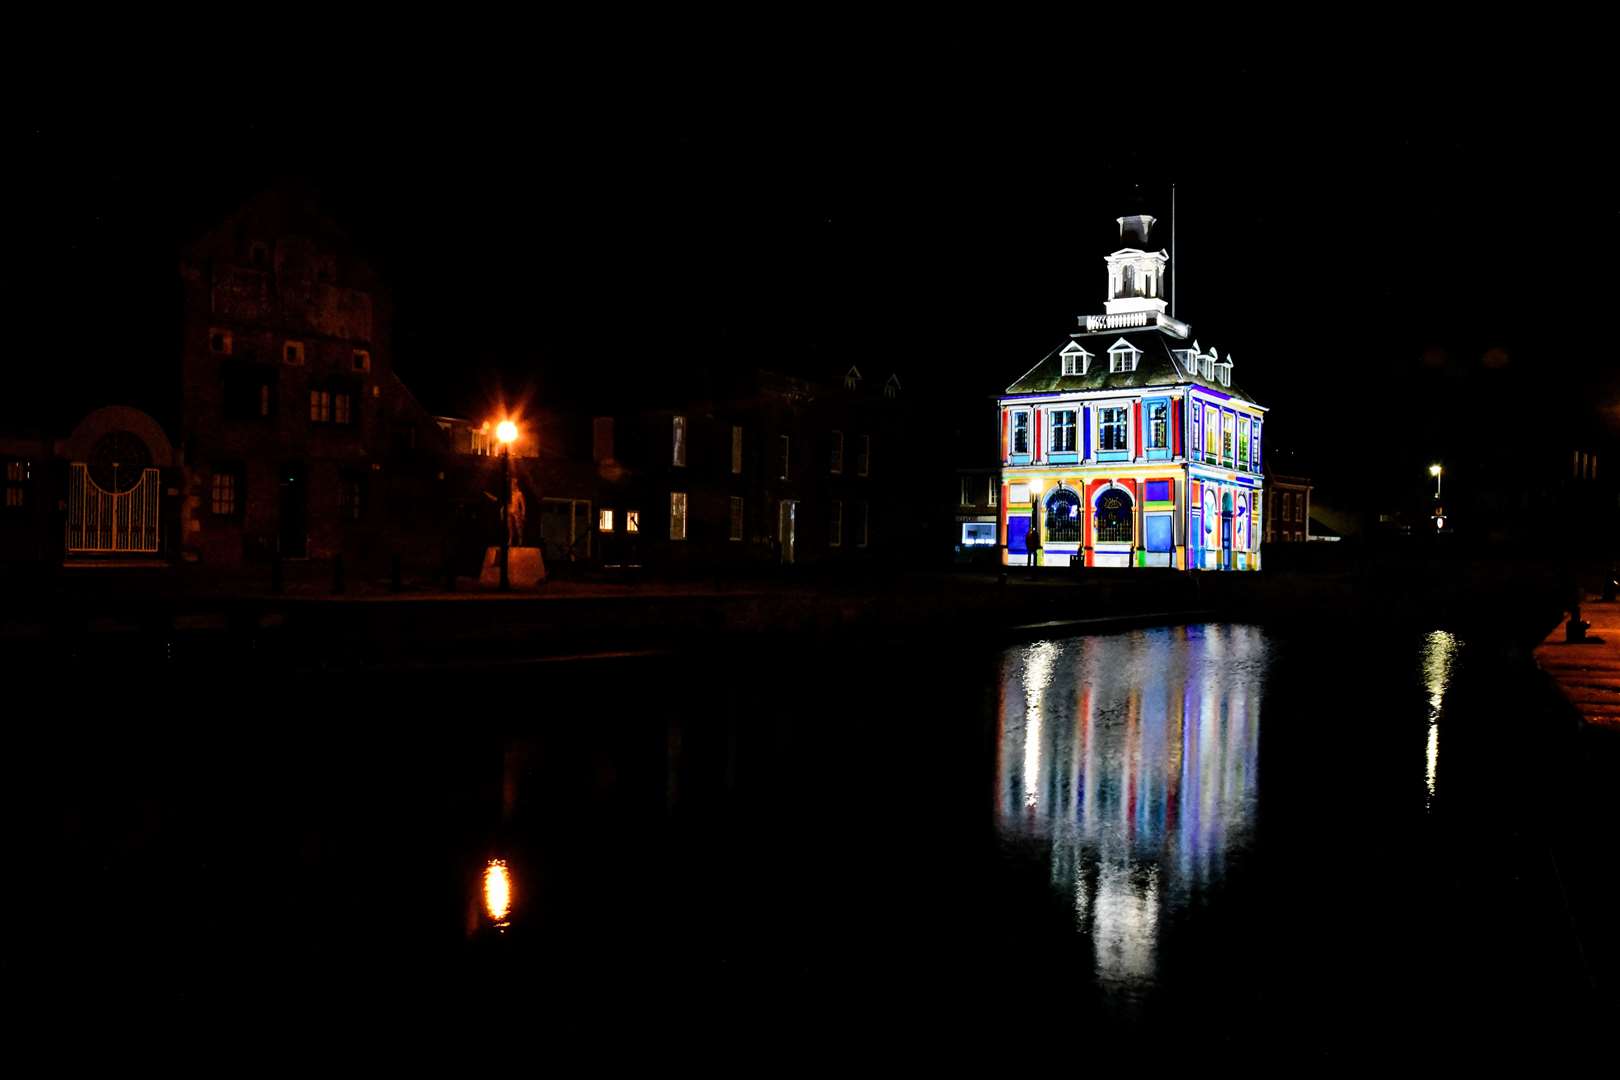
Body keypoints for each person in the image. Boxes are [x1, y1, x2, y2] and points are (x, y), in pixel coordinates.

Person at [506, 477, 527, 547]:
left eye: (513, 484)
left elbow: (523, 505)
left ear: (515, 485)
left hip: (516, 512)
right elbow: (506, 503)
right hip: (509, 511)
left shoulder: (519, 494)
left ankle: (520, 539)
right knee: (510, 526)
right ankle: (511, 539)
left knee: (518, 526)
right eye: (511, 484)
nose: (512, 486)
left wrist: (523, 514)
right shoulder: (509, 494)